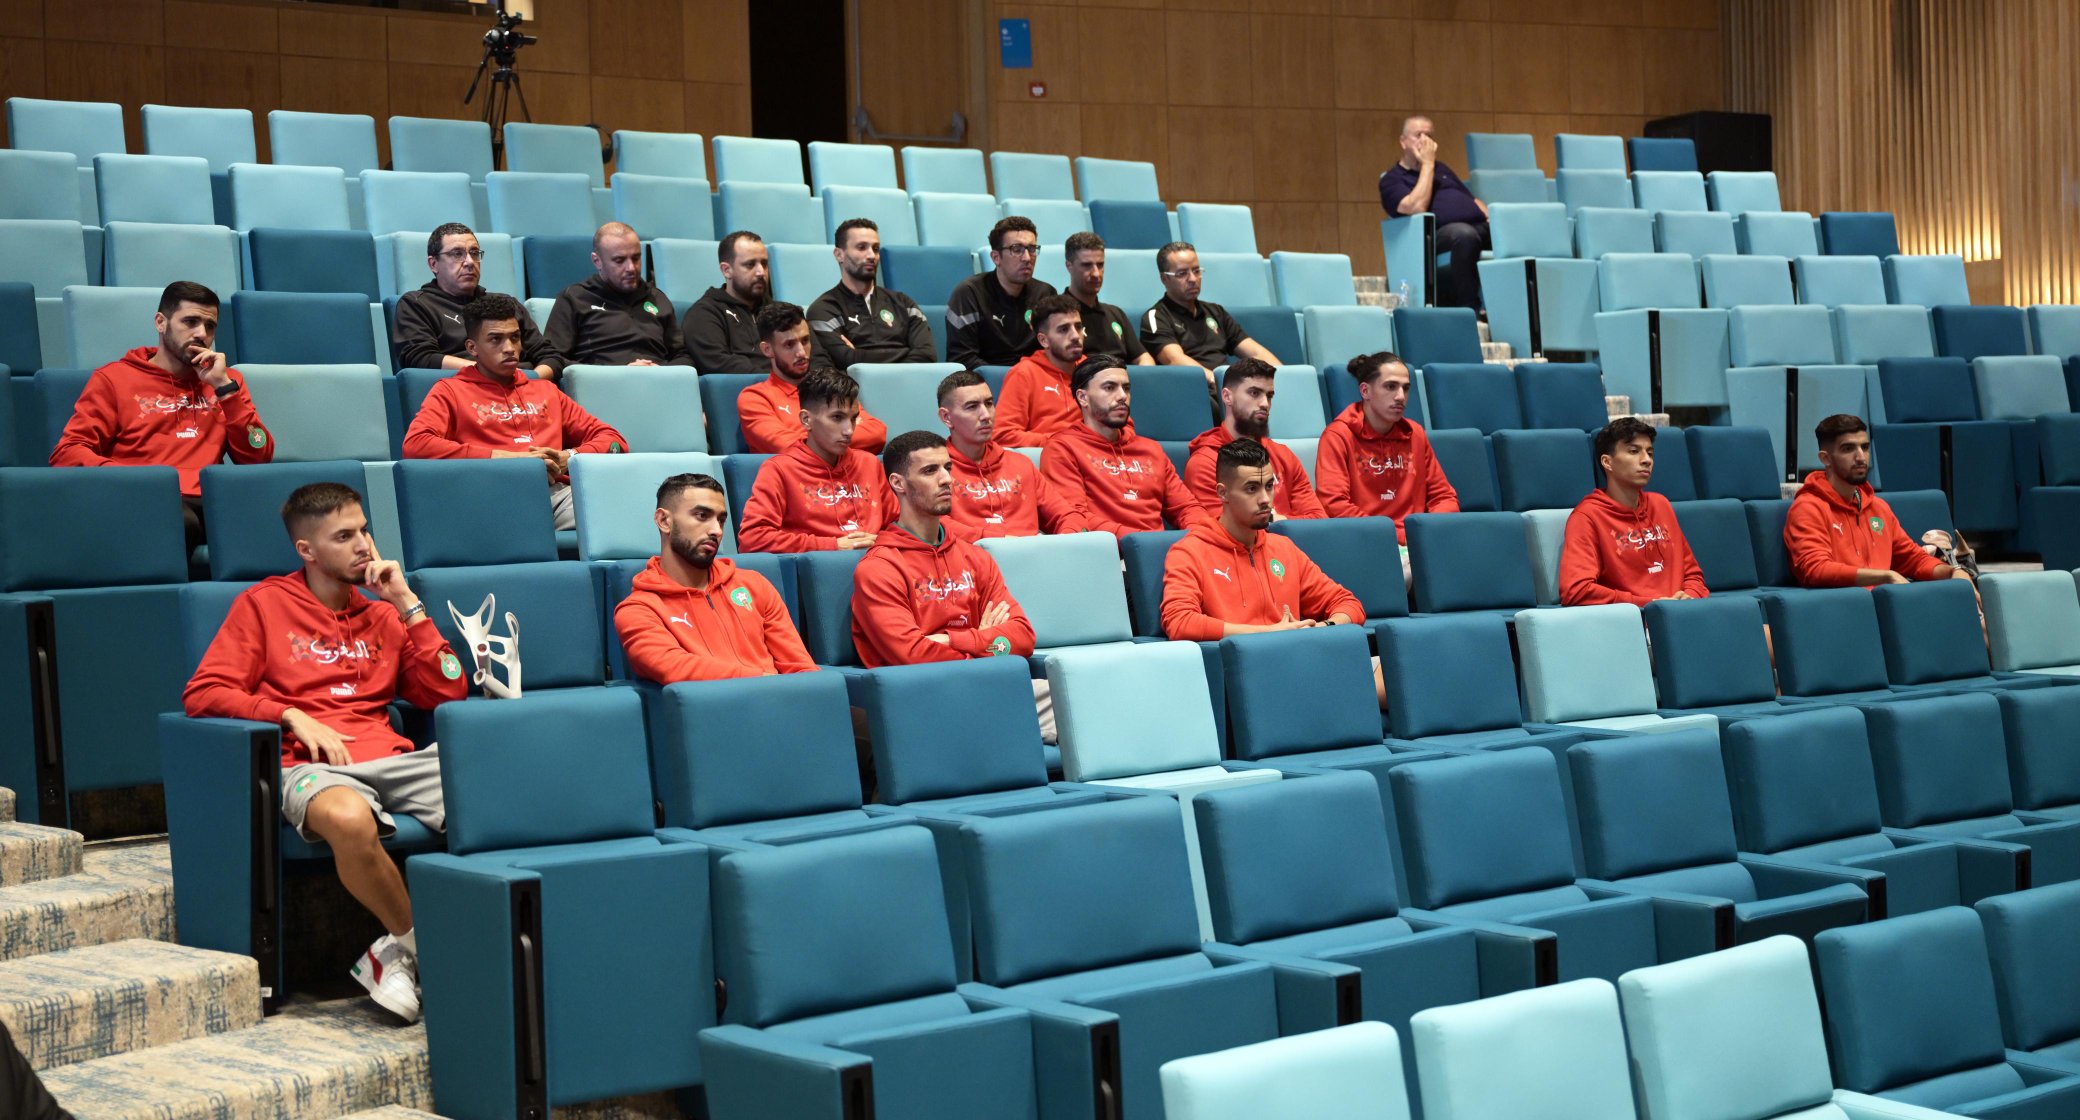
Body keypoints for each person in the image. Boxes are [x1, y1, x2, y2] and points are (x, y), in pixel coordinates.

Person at [182, 482, 469, 1023]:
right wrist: (286, 712)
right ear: (306, 550)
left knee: (500, 798)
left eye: (365, 531)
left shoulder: (384, 614)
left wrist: (407, 604)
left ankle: (394, 954)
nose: (364, 545)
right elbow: (203, 693)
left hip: (391, 757)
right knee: (345, 816)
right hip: (309, 764)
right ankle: (432, 954)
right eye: (344, 536)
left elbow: (448, 689)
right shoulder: (263, 606)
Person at [852, 430, 1053, 738]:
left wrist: (952, 640)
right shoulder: (879, 568)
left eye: (947, 468)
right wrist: (984, 638)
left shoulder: (975, 557)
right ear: (898, 484)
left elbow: (1023, 637)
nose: (946, 479)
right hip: (924, 700)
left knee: (1074, 696)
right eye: (930, 471)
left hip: (989, 687)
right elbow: (913, 656)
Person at [50, 280, 274, 551]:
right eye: (190, 322)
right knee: (180, 521)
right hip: (145, 498)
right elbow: (68, 453)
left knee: (284, 518)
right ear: (160, 322)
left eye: (210, 326)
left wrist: (226, 391)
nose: (201, 333)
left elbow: (259, 458)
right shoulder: (113, 379)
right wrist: (144, 480)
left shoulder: (226, 381)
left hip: (210, 499)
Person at [1161, 438, 1383, 705]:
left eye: (1269, 486)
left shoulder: (1283, 548)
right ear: (1222, 493)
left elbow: (1349, 604)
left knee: (1400, 669)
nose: (1265, 499)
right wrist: (1272, 633)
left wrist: (1322, 629)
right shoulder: (1189, 551)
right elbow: (1180, 623)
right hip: (1247, 670)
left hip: (1300, 659)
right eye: (1252, 489)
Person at [403, 293, 629, 531]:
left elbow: (615, 442)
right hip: (493, 496)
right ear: (472, 348)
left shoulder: (545, 391)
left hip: (557, 496)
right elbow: (416, 445)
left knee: (625, 506)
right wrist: (504, 459)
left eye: (515, 338)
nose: (509, 348)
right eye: (495, 340)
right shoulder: (449, 391)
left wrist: (570, 457)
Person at [614, 472, 817, 682]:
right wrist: (766, 681)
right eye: (702, 516)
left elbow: (799, 665)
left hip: (781, 705)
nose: (716, 530)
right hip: (713, 711)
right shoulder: (639, 609)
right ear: (664, 520)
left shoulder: (754, 585)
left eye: (721, 520)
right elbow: (673, 667)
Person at [1786, 414, 1974, 588]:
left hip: (1886, 606)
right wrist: (1884, 576)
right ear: (1825, 458)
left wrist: (1953, 572)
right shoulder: (1808, 507)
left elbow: (1913, 559)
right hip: (1843, 609)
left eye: (1865, 447)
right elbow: (1814, 570)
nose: (1861, 457)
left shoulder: (1878, 507)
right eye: (1848, 449)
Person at [1315, 352, 1458, 581]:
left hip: (1417, 543)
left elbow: (1444, 497)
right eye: (1390, 387)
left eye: (1406, 388)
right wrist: (1396, 535)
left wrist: (1426, 533)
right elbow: (1334, 505)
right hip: (1368, 544)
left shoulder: (1415, 434)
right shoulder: (1337, 436)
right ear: (1365, 391)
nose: (1400, 396)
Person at [1039, 356, 1211, 536]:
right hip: (1109, 555)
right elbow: (1075, 517)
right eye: (1109, 387)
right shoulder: (1063, 448)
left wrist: (1198, 535)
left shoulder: (1150, 449)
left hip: (1160, 553)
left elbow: (1187, 508)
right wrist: (1137, 541)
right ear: (1083, 397)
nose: (1122, 396)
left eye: (1126, 388)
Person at [737, 368, 894, 553]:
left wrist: (881, 541)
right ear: (806, 420)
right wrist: (832, 546)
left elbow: (900, 526)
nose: (849, 431)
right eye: (837, 418)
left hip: (878, 567)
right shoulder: (779, 470)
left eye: (853, 419)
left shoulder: (869, 463)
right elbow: (753, 539)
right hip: (820, 573)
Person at [1559, 418, 1707, 606]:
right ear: (1607, 462)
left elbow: (1693, 575)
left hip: (1682, 616)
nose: (1646, 460)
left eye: (1650, 452)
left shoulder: (1661, 505)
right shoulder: (1587, 517)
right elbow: (1576, 590)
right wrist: (1649, 605)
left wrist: (1690, 597)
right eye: (1634, 451)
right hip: (1634, 625)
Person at [391, 222, 559, 379]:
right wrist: (491, 371)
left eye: (474, 253)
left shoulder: (505, 304)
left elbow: (551, 357)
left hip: (524, 388)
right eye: (457, 254)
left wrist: (531, 380)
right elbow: (420, 359)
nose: (470, 262)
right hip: (463, 390)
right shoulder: (417, 304)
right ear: (434, 264)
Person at [738, 302, 889, 455]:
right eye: (789, 345)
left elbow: (876, 433)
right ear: (767, 349)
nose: (802, 353)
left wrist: (815, 438)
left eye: (805, 341)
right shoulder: (755, 398)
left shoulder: (831, 387)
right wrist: (838, 439)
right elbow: (786, 446)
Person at [1184, 358, 1326, 520]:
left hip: (1291, 545)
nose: (1265, 403)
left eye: (1269, 396)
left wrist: (1281, 521)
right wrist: (1275, 521)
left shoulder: (1283, 455)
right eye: (1254, 393)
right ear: (1227, 396)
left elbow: (1318, 519)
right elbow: (1218, 528)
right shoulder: (1205, 462)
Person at [543, 222, 692, 368]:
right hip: (602, 385)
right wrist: (619, 373)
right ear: (597, 261)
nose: (631, 268)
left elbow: (682, 356)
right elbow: (554, 360)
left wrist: (661, 371)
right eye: (619, 260)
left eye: (636, 258)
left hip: (659, 383)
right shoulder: (574, 298)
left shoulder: (657, 298)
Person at [1379, 116, 1489, 311]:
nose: (1424, 140)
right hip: (1434, 236)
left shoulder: (1443, 169)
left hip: (1477, 226)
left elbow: (1472, 200)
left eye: (1429, 135)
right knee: (1464, 235)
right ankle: (1470, 308)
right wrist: (1427, 165)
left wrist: (1494, 221)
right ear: (1403, 141)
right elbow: (1416, 207)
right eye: (1418, 135)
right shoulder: (1392, 179)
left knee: (1513, 235)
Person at [1139, 241, 1281, 385]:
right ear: (1164, 279)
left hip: (1227, 390)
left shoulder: (1216, 312)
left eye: (1196, 271)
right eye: (1182, 274)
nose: (1193, 279)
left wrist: (1282, 377)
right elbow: (1174, 360)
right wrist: (1224, 383)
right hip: (1196, 389)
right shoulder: (1156, 317)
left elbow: (1256, 352)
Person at [806, 218, 936, 369]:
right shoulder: (824, 309)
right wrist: (905, 352)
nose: (871, 256)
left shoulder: (905, 304)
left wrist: (858, 355)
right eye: (861, 247)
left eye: (875, 249)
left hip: (909, 385)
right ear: (839, 254)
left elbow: (927, 355)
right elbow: (845, 360)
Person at [937, 369, 1039, 537]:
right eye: (972, 407)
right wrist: (997, 541)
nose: (986, 415)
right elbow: (936, 524)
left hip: (1031, 558)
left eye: (989, 403)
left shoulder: (1021, 464)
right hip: (968, 559)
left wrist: (1066, 541)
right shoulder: (934, 470)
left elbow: (1065, 514)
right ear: (946, 417)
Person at [946, 216, 1058, 369]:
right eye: (1016, 249)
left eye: (1032, 249)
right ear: (996, 257)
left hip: (1035, 381)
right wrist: (1014, 377)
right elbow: (962, 358)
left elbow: (1054, 349)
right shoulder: (969, 294)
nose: (1027, 258)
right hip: (986, 384)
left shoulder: (1046, 294)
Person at [992, 293, 1088, 448]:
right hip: (1047, 458)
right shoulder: (1024, 374)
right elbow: (1002, 434)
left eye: (1078, 327)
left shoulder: (1092, 369)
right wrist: (1061, 442)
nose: (1076, 336)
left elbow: (1120, 424)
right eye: (1063, 329)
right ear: (1044, 340)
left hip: (1093, 456)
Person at [683, 231, 774, 374]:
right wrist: (777, 380)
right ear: (726, 270)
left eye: (764, 264)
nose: (761, 272)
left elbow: (813, 356)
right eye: (750, 265)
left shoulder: (780, 312)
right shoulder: (704, 314)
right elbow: (718, 362)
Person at [1062, 231, 1152, 367]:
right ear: (1069, 266)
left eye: (1100, 265)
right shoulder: (1058, 313)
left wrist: (1144, 376)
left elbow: (1142, 357)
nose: (1096, 273)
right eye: (1087, 265)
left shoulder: (1115, 313)